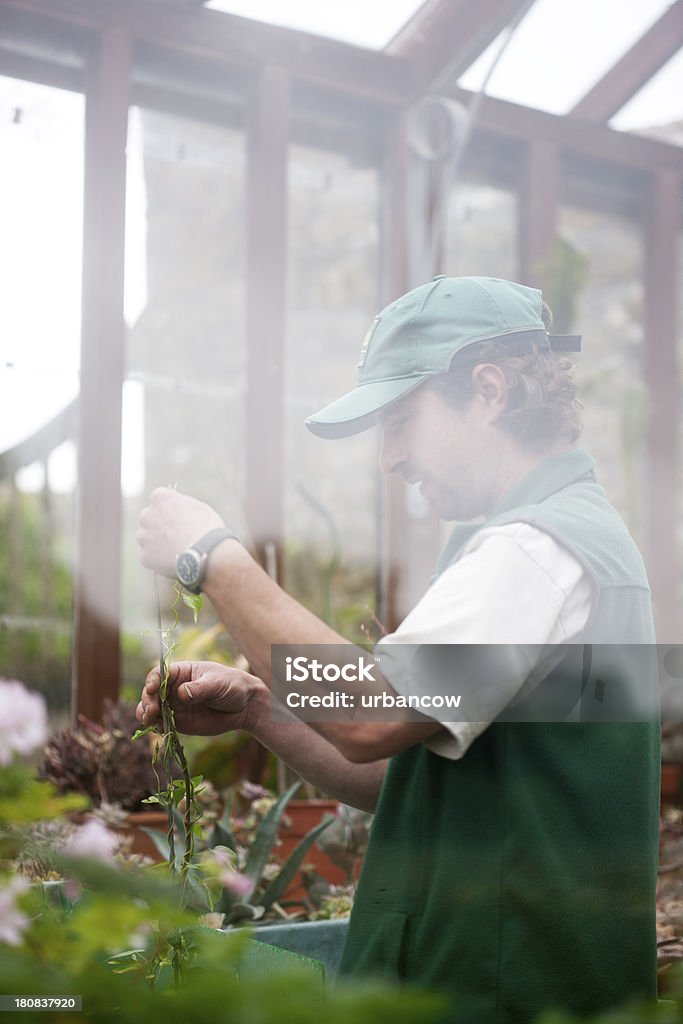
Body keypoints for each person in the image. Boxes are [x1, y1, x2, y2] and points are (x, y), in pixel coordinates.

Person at [137, 276, 660, 1023]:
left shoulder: (536, 550)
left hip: (505, 997)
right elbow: (399, 771)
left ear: (487, 390)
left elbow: (371, 716)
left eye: (400, 420)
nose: (388, 457)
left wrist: (212, 558)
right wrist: (261, 707)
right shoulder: (530, 545)